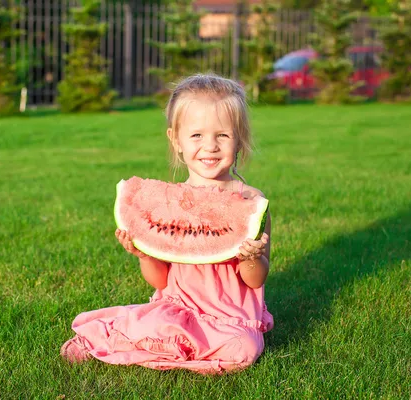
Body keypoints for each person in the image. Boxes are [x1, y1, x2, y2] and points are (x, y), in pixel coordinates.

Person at [61, 73, 273, 374]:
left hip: (231, 318)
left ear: (239, 139)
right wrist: (145, 253)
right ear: (176, 140)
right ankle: (105, 335)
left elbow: (255, 280)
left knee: (246, 349)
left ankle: (158, 345)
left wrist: (252, 257)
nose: (210, 146)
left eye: (222, 136)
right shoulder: (168, 204)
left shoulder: (251, 203)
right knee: (165, 325)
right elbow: (160, 281)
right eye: (197, 135)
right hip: (178, 308)